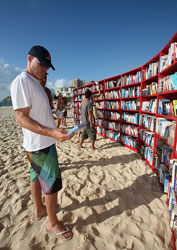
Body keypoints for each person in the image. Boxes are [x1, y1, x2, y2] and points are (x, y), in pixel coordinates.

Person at [10, 45, 74, 240]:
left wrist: (54, 129)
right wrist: (51, 132)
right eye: (41, 65)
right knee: (52, 184)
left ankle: (39, 209)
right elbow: (21, 117)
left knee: (36, 177)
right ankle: (52, 224)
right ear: (30, 59)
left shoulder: (34, 82)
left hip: (36, 143)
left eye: (47, 66)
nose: (44, 69)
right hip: (41, 144)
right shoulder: (22, 81)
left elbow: (38, 113)